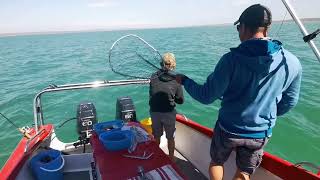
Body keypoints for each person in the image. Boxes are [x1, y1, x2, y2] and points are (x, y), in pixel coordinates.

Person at [176, 4, 302, 180]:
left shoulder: (230, 60)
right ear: (267, 28)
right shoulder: (292, 62)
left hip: (228, 129)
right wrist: (265, 114)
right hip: (260, 134)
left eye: (238, 28)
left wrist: (185, 81)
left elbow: (206, 96)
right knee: (243, 173)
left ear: (242, 27)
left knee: (217, 162)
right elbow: (290, 101)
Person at [149, 52, 184, 161]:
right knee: (170, 137)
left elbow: (151, 93)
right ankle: (171, 158)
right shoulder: (176, 79)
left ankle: (155, 157)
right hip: (168, 112)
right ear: (173, 64)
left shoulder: (153, 76)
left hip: (154, 112)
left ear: (161, 64)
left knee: (156, 136)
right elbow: (180, 100)